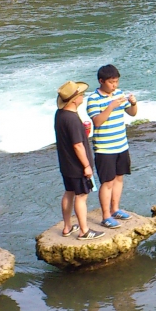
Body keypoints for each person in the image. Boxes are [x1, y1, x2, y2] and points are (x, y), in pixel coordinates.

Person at [87, 64, 137, 229]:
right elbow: (97, 122)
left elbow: (132, 113)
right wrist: (111, 106)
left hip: (121, 144)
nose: (114, 85)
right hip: (104, 148)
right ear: (101, 81)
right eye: (111, 82)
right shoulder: (93, 99)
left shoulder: (118, 94)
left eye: (116, 82)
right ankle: (105, 216)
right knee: (107, 182)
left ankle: (115, 209)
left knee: (119, 178)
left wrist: (133, 103)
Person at [55, 82, 100, 240]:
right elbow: (78, 145)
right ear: (74, 100)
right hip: (77, 166)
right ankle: (84, 231)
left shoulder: (60, 114)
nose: (82, 96)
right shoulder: (72, 119)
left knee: (69, 193)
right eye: (80, 94)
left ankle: (67, 227)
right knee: (81, 196)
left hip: (66, 164)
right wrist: (87, 165)